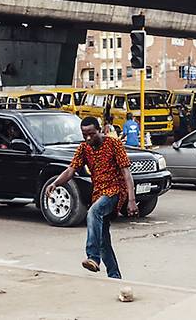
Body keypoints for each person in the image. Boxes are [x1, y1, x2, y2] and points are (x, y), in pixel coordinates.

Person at [46, 117, 137, 278]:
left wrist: (131, 200)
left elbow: (126, 173)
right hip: (98, 193)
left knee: (93, 212)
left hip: (115, 191)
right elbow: (70, 170)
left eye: (92, 134)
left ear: (100, 130)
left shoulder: (114, 144)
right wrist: (55, 183)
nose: (88, 138)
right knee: (103, 239)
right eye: (84, 135)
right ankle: (114, 276)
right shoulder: (83, 148)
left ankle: (93, 257)